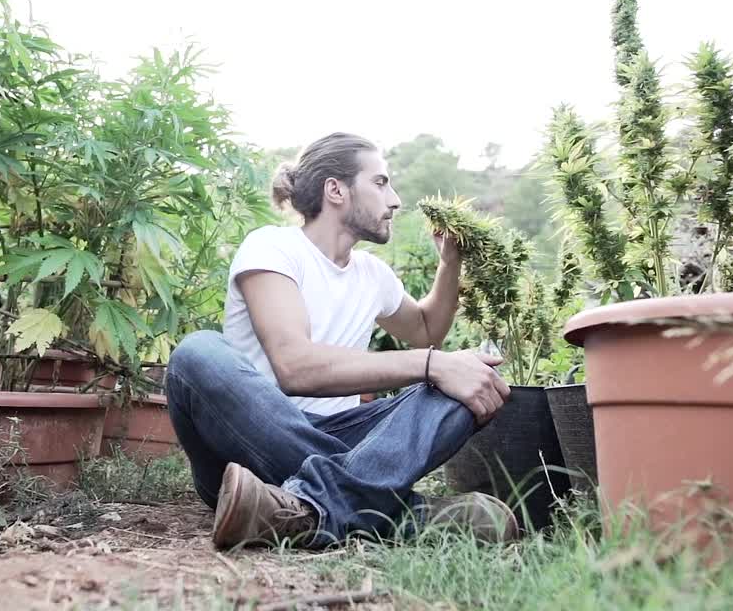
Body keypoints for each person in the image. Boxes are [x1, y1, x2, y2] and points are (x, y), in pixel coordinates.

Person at [165, 132, 517, 550]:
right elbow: (295, 367)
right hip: (247, 444)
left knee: (468, 381)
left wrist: (450, 263)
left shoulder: (372, 274)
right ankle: (402, 514)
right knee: (197, 352)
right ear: (336, 190)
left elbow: (426, 331)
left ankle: (299, 510)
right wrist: (431, 363)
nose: (395, 200)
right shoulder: (272, 248)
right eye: (380, 183)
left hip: (344, 441)